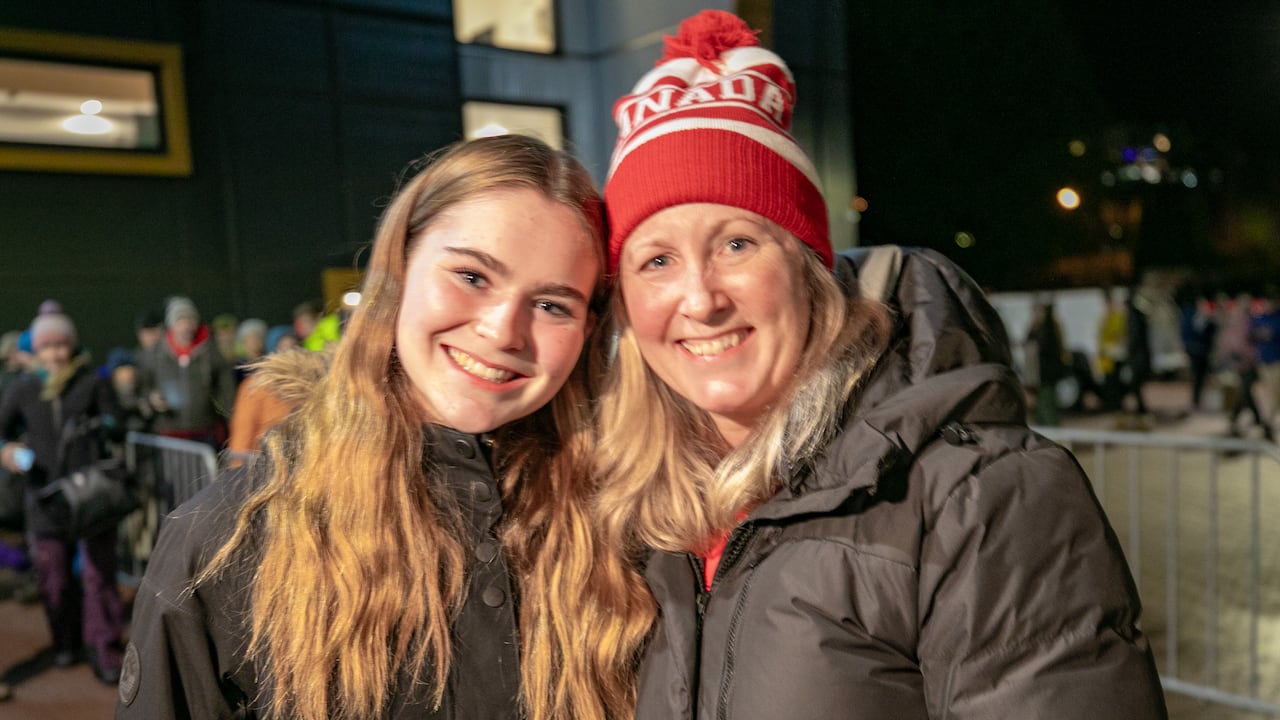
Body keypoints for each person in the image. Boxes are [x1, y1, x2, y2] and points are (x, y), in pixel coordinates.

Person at [593, 11, 1167, 719]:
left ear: (807, 267)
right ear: (622, 304)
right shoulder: (633, 511)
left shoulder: (981, 497)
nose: (700, 298)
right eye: (656, 260)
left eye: (737, 244)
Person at [117, 134, 648, 720]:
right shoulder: (226, 540)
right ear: (400, 268)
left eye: (553, 305)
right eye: (471, 276)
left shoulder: (626, 525)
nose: (503, 331)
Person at [0, 312, 127, 685]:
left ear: (71, 345)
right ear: (36, 350)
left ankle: (104, 649)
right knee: (53, 577)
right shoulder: (23, 388)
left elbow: (116, 423)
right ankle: (65, 641)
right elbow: (2, 431)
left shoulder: (91, 382)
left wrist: (103, 424)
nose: (55, 354)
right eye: (47, 346)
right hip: (44, 497)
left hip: (90, 495)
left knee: (98, 575)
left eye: (60, 345)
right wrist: (7, 452)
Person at [136, 296, 236, 448]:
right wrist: (151, 399)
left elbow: (227, 393)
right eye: (180, 321)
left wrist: (233, 426)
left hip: (205, 432)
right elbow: (142, 388)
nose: (186, 326)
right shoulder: (155, 354)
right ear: (171, 325)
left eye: (190, 320)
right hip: (169, 434)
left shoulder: (211, 352)